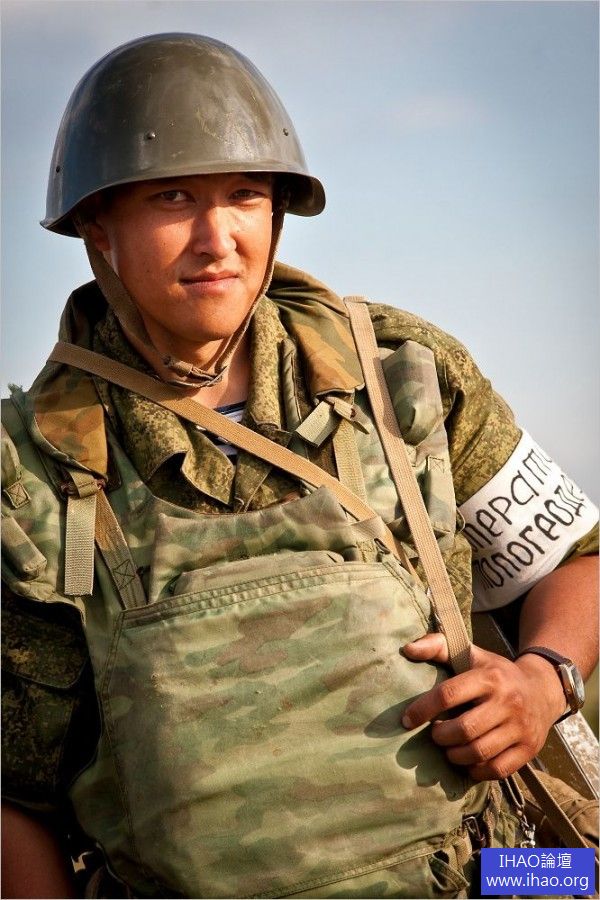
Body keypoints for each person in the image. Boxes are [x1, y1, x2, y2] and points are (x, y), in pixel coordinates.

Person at [1, 32, 598, 900]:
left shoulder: (401, 376)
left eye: (244, 195)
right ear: (99, 224)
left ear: (278, 211)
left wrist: (543, 682)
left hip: (480, 876)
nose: (217, 238)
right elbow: (14, 798)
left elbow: (578, 559)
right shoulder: (31, 473)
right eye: (173, 197)